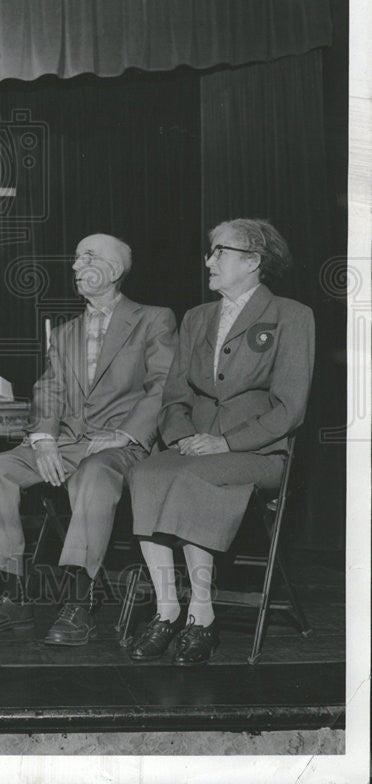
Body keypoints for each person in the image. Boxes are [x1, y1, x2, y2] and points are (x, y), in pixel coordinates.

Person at [0, 234, 177, 646]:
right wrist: (43, 441)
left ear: (113, 269)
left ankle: (79, 602)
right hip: (69, 442)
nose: (76, 266)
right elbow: (50, 391)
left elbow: (163, 385)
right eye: (75, 258)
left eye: (87, 258)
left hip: (122, 446)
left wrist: (123, 434)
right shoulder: (64, 333)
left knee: (94, 476)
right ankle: (12, 596)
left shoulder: (153, 319)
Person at [127, 218, 315, 666]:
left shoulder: (292, 316)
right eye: (210, 252)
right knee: (146, 472)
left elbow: (290, 410)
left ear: (253, 262)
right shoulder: (197, 318)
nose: (209, 261)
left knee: (194, 479)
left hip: (258, 454)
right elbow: (175, 396)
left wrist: (226, 443)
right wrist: (184, 437)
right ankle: (167, 609)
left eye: (220, 252)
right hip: (197, 447)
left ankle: (202, 617)